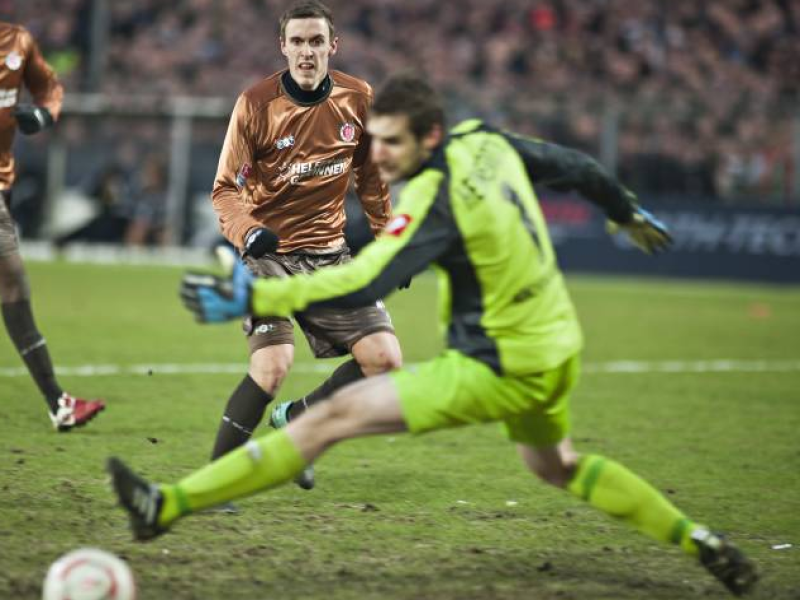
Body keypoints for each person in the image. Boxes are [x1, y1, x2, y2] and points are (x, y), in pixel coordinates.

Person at [109, 73, 757, 596]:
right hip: (557, 347)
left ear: (430, 136)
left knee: (322, 426)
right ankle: (699, 540)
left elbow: (364, 282)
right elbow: (576, 167)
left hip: (498, 367)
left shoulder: (433, 199)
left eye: (392, 143)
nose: (378, 156)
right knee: (557, 463)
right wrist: (625, 210)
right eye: (374, 140)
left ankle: (164, 506)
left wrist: (259, 295)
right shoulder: (488, 142)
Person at [202, 0, 402, 492]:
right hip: (267, 256)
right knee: (272, 366)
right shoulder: (256, 103)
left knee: (384, 359)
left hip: (329, 255)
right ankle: (217, 479)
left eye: (316, 41)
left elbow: (372, 177)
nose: (306, 52)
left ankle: (297, 421)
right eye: (297, 42)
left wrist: (389, 238)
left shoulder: (359, 98)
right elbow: (225, 188)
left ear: (333, 46)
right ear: (283, 47)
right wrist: (248, 231)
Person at [0, 21, 105, 430]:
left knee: (12, 283)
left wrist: (42, 116)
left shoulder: (17, 41)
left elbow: (49, 89)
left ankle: (58, 403)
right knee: (12, 280)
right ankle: (58, 402)